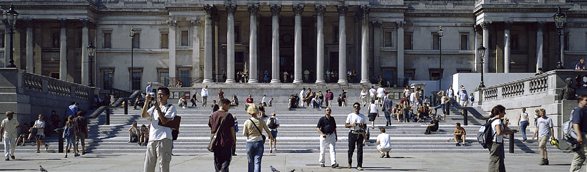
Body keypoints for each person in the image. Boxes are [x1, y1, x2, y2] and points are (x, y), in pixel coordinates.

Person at [141, 87, 176, 172]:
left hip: (164, 139)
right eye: (158, 94)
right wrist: (146, 101)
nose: (160, 96)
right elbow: (144, 115)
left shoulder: (171, 107)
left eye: (162, 94)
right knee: (148, 167)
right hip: (152, 139)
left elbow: (164, 121)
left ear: (167, 96)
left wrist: (157, 107)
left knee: (163, 167)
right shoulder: (153, 108)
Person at [243, 104, 274, 172]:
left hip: (250, 142)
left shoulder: (247, 122)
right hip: (259, 141)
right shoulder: (261, 121)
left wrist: (249, 134)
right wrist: (271, 137)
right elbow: (267, 130)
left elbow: (244, 133)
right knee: (257, 161)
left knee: (250, 161)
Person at [208, 98, 236, 172]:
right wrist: (234, 140)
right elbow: (232, 129)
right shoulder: (229, 115)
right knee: (227, 159)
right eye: (228, 106)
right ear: (224, 104)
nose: (229, 108)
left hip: (216, 142)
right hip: (226, 141)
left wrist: (212, 140)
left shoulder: (212, 115)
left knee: (217, 162)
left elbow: (211, 129)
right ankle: (223, 170)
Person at [488, 105, 514, 172]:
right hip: (496, 143)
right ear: (499, 112)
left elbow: (501, 130)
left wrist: (505, 124)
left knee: (500, 160)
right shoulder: (497, 121)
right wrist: (508, 132)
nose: (504, 113)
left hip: (495, 142)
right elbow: (499, 133)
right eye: (504, 112)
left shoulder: (492, 119)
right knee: (495, 161)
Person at [345, 102, 367, 170]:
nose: (356, 108)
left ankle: (359, 165)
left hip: (360, 133)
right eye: (355, 107)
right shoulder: (350, 115)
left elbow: (365, 126)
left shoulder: (362, 116)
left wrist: (361, 126)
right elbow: (346, 125)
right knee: (351, 149)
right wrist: (352, 125)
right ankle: (349, 161)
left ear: (360, 108)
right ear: (353, 108)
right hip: (352, 133)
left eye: (357, 107)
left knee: (360, 150)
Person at [570, 95, 587, 171]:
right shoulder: (579, 110)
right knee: (579, 157)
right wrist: (579, 136)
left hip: (582, 136)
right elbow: (575, 124)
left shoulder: (583, 110)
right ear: (580, 101)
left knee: (579, 157)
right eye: (586, 100)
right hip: (583, 136)